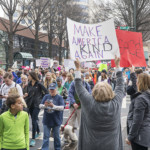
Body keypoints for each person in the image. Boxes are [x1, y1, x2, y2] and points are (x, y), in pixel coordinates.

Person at [73, 56, 124, 150]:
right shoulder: (116, 103)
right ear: (110, 91)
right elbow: (120, 85)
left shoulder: (88, 102)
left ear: (94, 92)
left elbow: (78, 87)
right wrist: (117, 66)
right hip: (112, 146)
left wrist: (77, 68)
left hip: (90, 146)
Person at [126, 73, 150, 150]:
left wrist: (130, 137)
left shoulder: (141, 99)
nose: (136, 83)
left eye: (137, 81)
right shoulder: (146, 95)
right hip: (144, 133)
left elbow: (137, 121)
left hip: (139, 135)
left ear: (140, 83)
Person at [25, 71, 48, 147]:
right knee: (33, 119)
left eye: (28, 75)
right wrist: (26, 95)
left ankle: (33, 139)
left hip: (36, 105)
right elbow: (28, 93)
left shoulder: (39, 84)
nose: (28, 76)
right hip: (29, 104)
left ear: (32, 76)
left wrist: (42, 100)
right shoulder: (28, 84)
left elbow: (47, 92)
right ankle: (38, 132)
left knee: (34, 120)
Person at [67, 74, 91, 144]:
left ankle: (82, 139)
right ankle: (71, 138)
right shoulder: (73, 84)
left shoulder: (86, 85)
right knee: (70, 123)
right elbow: (70, 93)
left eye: (81, 78)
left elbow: (89, 94)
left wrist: (84, 100)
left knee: (81, 123)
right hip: (73, 106)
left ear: (83, 78)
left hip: (81, 107)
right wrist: (74, 103)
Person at [39, 83, 64, 150]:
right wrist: (45, 106)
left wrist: (53, 106)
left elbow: (62, 107)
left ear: (56, 89)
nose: (52, 91)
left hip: (56, 120)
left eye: (53, 89)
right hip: (47, 120)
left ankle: (58, 148)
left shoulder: (59, 97)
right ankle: (44, 149)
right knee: (46, 137)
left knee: (56, 137)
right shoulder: (46, 96)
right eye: (50, 89)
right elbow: (40, 106)